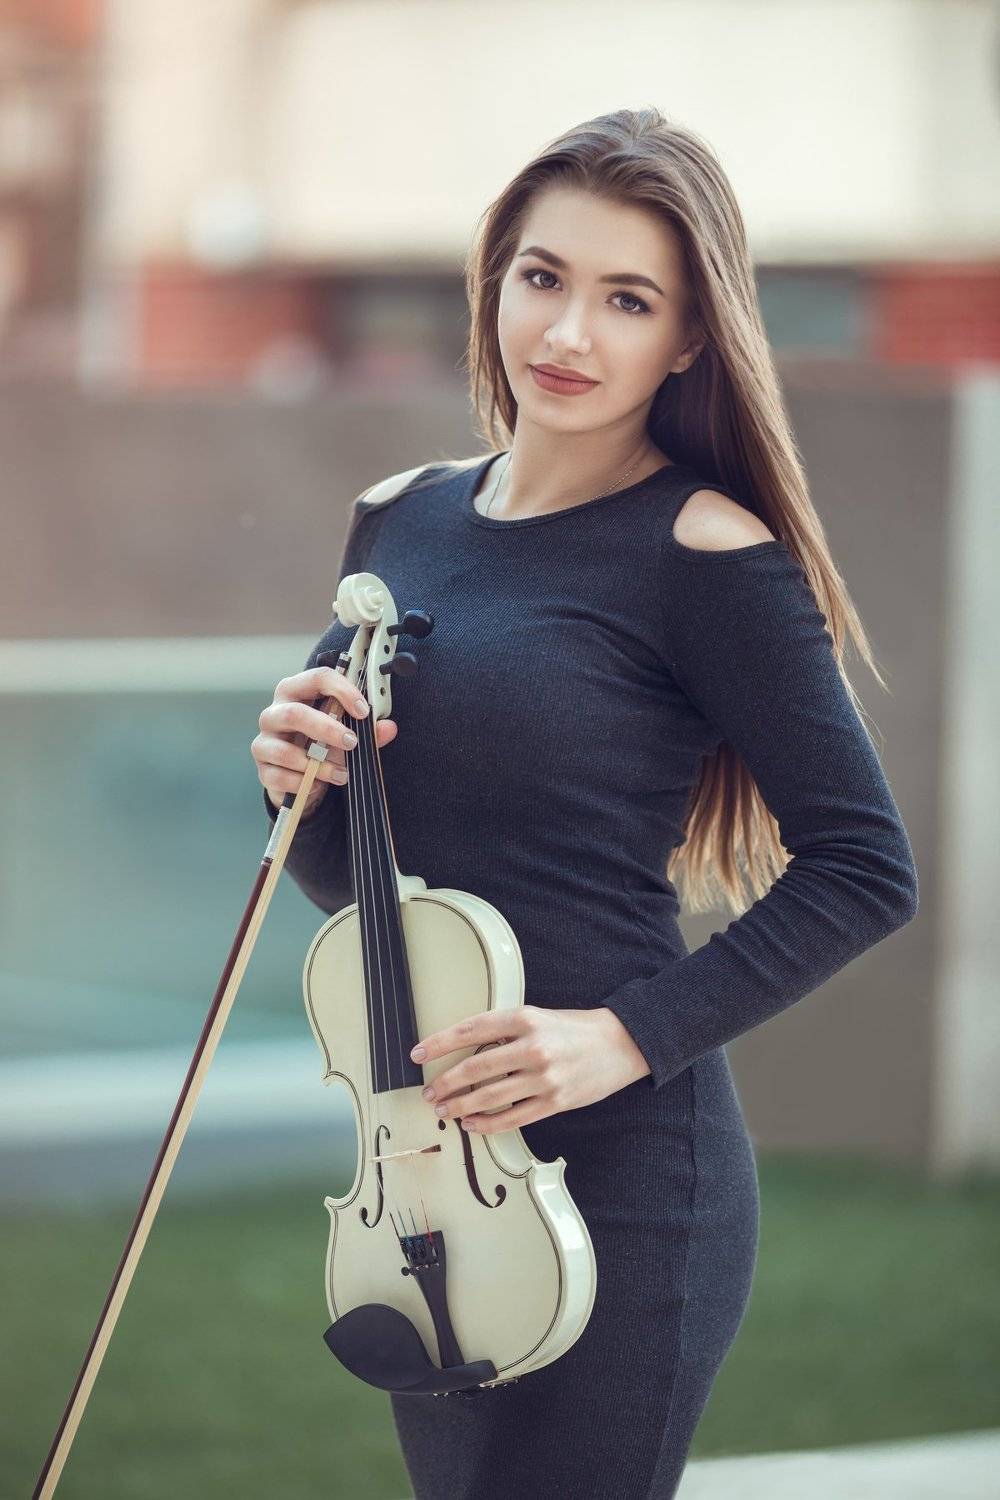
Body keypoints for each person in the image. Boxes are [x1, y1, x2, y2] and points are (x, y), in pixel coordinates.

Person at [253, 108, 918, 1500]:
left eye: (628, 300)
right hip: (425, 1174)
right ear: (495, 276)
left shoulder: (705, 550)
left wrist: (620, 1039)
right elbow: (378, 890)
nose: (567, 330)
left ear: (689, 338)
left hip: (630, 1171)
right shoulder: (404, 517)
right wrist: (300, 788)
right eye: (543, 276)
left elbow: (866, 867)